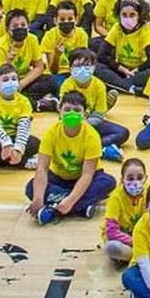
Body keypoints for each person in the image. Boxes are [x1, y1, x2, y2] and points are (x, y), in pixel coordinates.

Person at [25, 90, 116, 224]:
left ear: (85, 114)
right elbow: (42, 169)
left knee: (108, 182)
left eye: (76, 110)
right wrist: (38, 199)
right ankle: (81, 207)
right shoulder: (51, 133)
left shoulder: (92, 136)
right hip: (58, 177)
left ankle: (54, 208)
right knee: (30, 188)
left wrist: (70, 200)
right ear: (59, 110)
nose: (71, 113)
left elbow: (87, 175)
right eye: (67, 109)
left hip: (83, 178)